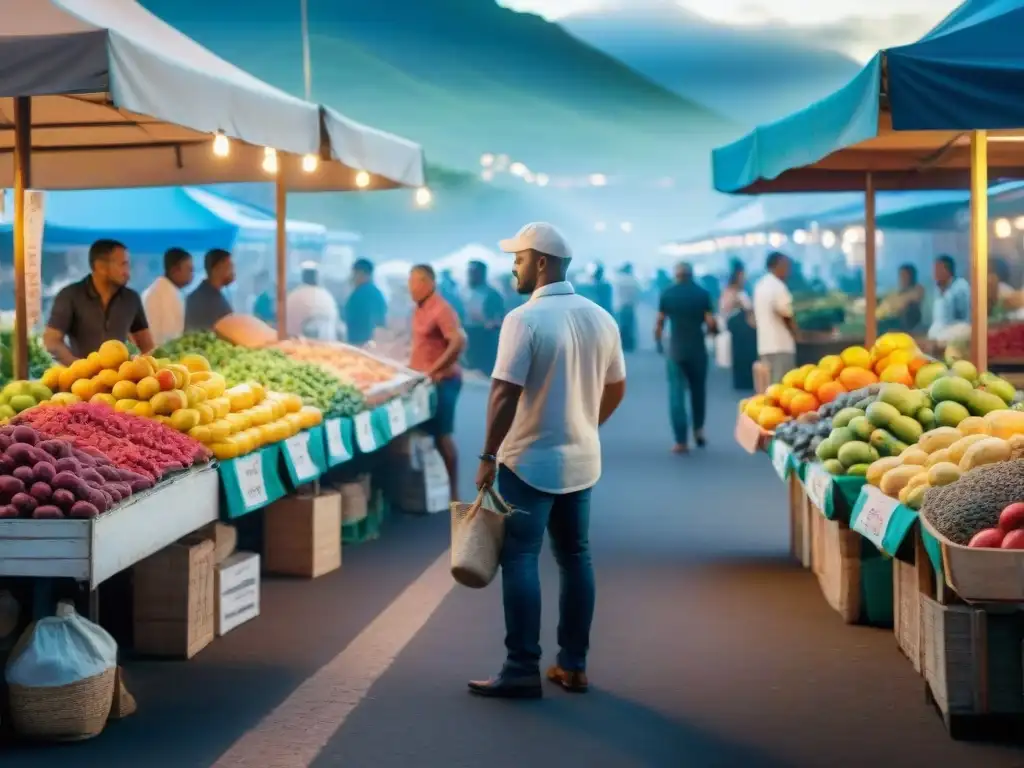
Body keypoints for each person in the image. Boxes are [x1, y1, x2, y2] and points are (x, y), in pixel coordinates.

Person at [469, 222, 626, 700]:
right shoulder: (601, 317)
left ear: (540, 262)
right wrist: (583, 424)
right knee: (575, 557)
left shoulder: (524, 320)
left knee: (519, 558)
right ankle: (573, 666)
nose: (513, 268)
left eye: (518, 259)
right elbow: (617, 386)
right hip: (582, 462)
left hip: (528, 462)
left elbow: (503, 394)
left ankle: (521, 668)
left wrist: (488, 455)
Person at [44, 239, 154, 363]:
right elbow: (52, 341)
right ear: (100, 267)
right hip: (80, 380)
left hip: (120, 379)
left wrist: (141, 369)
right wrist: (78, 366)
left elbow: (147, 346)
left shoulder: (132, 299)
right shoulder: (69, 295)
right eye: (123, 264)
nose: (128, 272)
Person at [408, 265, 466, 495]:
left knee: (443, 438)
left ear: (428, 283)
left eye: (414, 283)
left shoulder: (442, 309)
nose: (410, 288)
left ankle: (454, 494)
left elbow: (458, 342)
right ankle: (429, 489)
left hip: (444, 382)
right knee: (423, 434)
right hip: (423, 382)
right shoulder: (418, 309)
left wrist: (433, 369)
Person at [655, 262, 717, 453]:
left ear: (676, 275)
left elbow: (659, 323)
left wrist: (658, 342)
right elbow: (710, 322)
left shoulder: (667, 293)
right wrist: (711, 333)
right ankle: (698, 430)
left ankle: (681, 440)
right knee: (698, 392)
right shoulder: (702, 293)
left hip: (676, 350)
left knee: (676, 394)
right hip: (697, 349)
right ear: (691, 274)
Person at [752, 251, 797, 386]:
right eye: (786, 266)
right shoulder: (778, 286)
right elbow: (785, 313)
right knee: (782, 388)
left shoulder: (760, 285)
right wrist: (797, 333)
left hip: (765, 346)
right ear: (777, 265)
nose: (788, 270)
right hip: (781, 345)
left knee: (769, 388)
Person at [142, 247, 194, 346]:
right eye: (189, 269)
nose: (192, 274)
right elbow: (171, 336)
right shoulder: (164, 294)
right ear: (175, 270)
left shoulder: (163, 289)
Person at [463, 260, 505, 374]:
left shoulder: (492, 294)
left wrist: (490, 323)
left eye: (474, 272)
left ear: (482, 273)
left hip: (485, 336)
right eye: (470, 272)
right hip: (467, 334)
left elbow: (500, 317)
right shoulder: (463, 292)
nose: (471, 275)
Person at [185, 248, 235, 332]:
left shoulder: (216, 295)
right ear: (217, 268)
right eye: (230, 267)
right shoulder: (200, 300)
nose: (233, 273)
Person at [286, 262, 340, 340]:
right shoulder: (327, 297)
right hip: (329, 347)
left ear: (303, 276)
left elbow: (287, 328)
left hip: (299, 347)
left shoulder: (294, 296)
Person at [927, 255, 970, 343]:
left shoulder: (960, 287)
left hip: (958, 330)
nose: (935, 273)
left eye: (938, 270)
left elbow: (962, 317)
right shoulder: (937, 289)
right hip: (939, 332)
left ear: (948, 271)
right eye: (934, 270)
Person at [344, 259, 388, 345]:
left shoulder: (362, 294)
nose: (352, 277)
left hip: (360, 344)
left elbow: (370, 320)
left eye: (354, 274)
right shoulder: (376, 293)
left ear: (361, 274)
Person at [613, 263, 642, 352]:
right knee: (630, 326)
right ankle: (630, 345)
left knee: (623, 326)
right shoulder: (634, 281)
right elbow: (638, 295)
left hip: (622, 307)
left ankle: (623, 345)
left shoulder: (620, 280)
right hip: (631, 307)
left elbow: (617, 295)